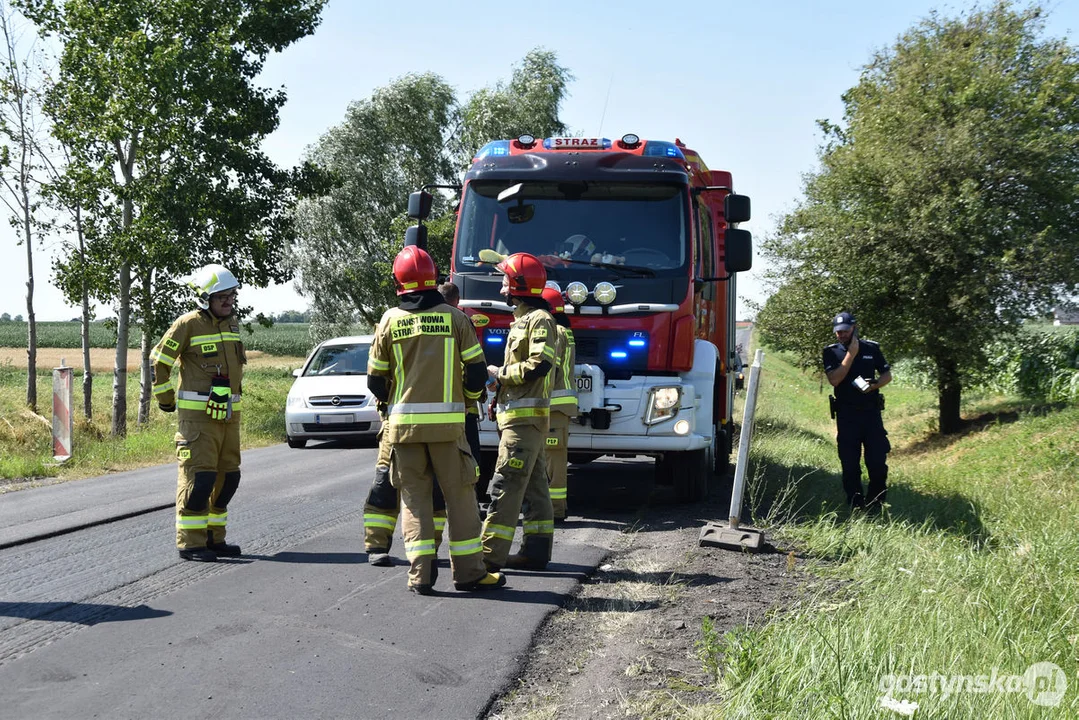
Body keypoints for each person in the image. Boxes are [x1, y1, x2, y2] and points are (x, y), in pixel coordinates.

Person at [367, 246, 505, 594]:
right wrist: (469, 399)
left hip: (403, 431)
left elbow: (374, 381)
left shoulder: (389, 320)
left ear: (399, 282)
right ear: (434, 278)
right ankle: (469, 573)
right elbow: (476, 373)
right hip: (448, 430)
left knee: (414, 501)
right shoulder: (456, 319)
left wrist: (393, 398)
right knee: (461, 500)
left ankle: (421, 576)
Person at [151, 263, 246, 562]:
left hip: (228, 418)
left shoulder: (232, 324)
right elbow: (159, 361)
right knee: (199, 479)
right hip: (198, 421)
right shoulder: (187, 324)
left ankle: (214, 538)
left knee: (228, 479)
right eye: (222, 297)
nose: (228, 302)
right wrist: (165, 399)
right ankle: (191, 542)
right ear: (205, 299)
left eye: (231, 296)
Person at [481, 252, 558, 571]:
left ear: (517, 285)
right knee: (535, 488)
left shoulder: (539, 320)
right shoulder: (524, 321)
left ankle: (487, 556)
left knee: (506, 484)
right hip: (518, 418)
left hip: (524, 422)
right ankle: (536, 552)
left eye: (504, 282)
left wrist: (501, 374)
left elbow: (540, 365)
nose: (501, 289)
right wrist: (497, 396)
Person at [822, 311, 892, 512]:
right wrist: (851, 354)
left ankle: (876, 503)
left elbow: (887, 374)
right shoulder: (831, 352)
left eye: (845, 331)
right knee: (850, 464)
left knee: (878, 462)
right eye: (838, 332)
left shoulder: (871, 348)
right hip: (847, 415)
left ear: (854, 328)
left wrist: (876, 385)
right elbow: (834, 379)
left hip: (871, 414)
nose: (841, 335)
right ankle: (855, 503)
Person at [541, 285, 576, 521]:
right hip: (557, 406)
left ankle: (554, 511)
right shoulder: (564, 330)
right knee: (552, 459)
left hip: (553, 405)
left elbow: (544, 369)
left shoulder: (555, 332)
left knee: (553, 463)